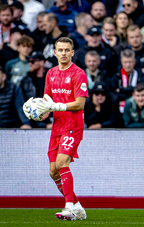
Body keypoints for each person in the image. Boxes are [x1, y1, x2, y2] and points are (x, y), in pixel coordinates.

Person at [22, 37, 88, 220]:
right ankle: (78, 208)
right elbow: (47, 101)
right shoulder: (51, 73)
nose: (64, 53)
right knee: (53, 171)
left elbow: (80, 104)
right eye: (61, 50)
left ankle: (68, 208)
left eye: (67, 50)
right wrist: (37, 111)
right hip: (57, 126)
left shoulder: (79, 74)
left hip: (73, 126)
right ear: (55, 52)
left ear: (72, 52)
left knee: (61, 164)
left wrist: (55, 107)